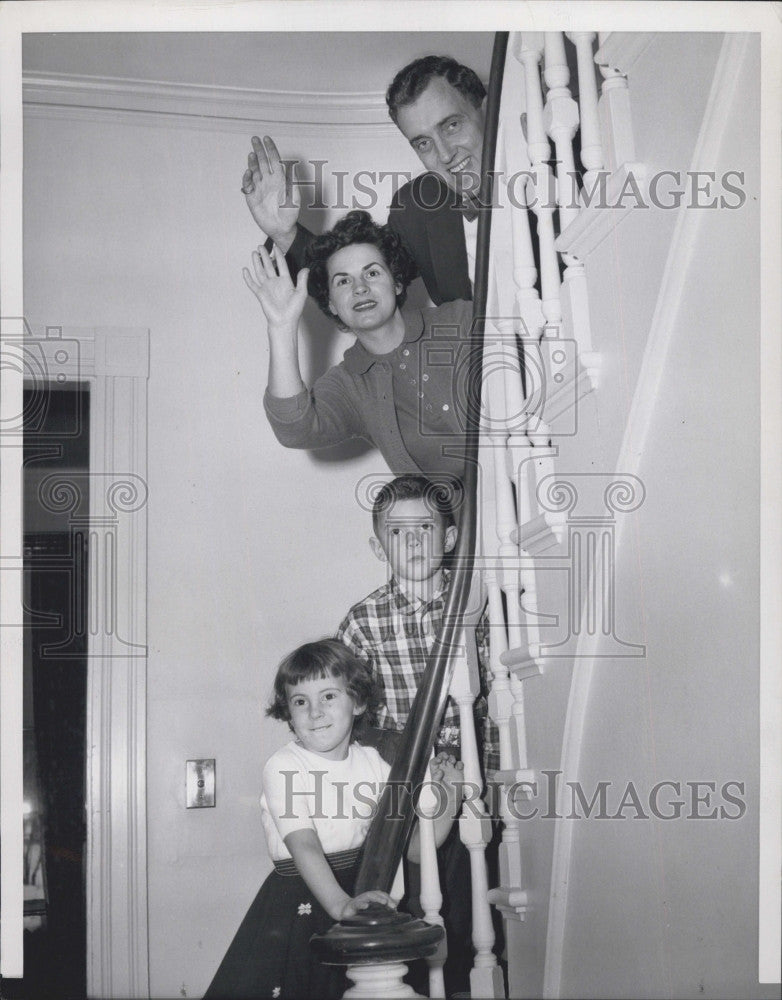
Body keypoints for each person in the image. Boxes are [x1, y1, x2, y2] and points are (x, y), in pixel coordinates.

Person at [204, 639, 464, 1000]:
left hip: (360, 893)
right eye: (300, 701)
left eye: (328, 696)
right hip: (301, 901)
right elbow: (304, 845)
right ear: (288, 713)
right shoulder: (284, 766)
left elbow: (420, 848)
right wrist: (340, 906)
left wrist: (449, 797)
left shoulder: (373, 764)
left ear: (357, 702)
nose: (314, 712)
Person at [335, 475, 500, 997]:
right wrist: (413, 758)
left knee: (477, 895)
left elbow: (497, 697)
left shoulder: (475, 608)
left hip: (475, 778)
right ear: (376, 544)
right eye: (397, 531)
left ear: (449, 538)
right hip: (408, 784)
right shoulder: (363, 623)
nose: (412, 542)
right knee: (424, 901)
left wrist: (487, 774)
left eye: (425, 528)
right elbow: (357, 723)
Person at [245, 209, 475, 480]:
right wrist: (281, 326)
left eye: (372, 273)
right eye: (343, 281)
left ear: (397, 282)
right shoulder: (349, 386)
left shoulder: (461, 320)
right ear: (331, 303)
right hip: (464, 521)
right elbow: (294, 430)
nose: (360, 288)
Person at [241, 56, 487, 305]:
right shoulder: (416, 206)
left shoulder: (528, 174)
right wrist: (286, 234)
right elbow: (359, 276)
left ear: (486, 110)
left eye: (452, 125)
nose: (445, 154)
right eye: (424, 143)